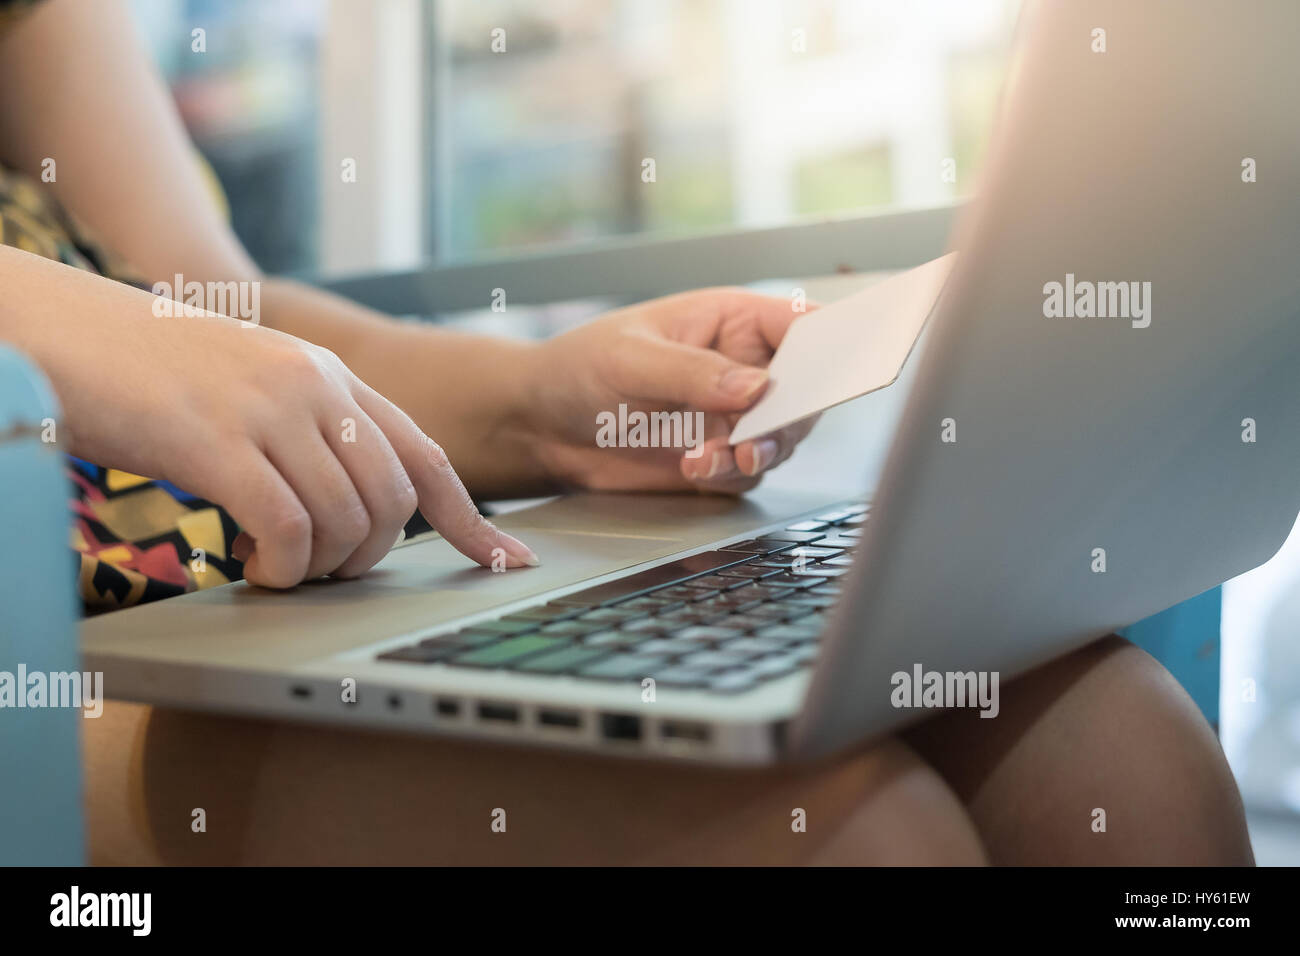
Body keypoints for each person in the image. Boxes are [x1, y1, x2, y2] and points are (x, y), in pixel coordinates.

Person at [0, 0, 1254, 864]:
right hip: (57, 670)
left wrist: (540, 404)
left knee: (1123, 757)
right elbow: (143, 335)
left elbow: (206, 303)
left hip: (262, 591)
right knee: (850, 836)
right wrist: (55, 324)